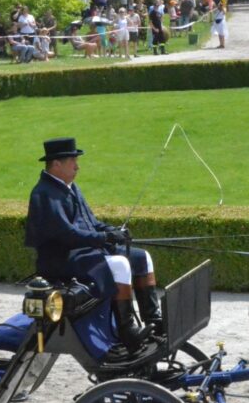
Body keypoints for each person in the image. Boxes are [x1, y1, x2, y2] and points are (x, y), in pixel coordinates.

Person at [24, 138, 159, 353]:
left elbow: (91, 223)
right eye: (72, 161)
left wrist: (113, 232)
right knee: (120, 265)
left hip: (83, 251)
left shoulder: (71, 187)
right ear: (56, 164)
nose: (77, 166)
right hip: (61, 259)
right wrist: (103, 238)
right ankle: (127, 329)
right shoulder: (44, 194)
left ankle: (154, 319)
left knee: (142, 257)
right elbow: (66, 234)